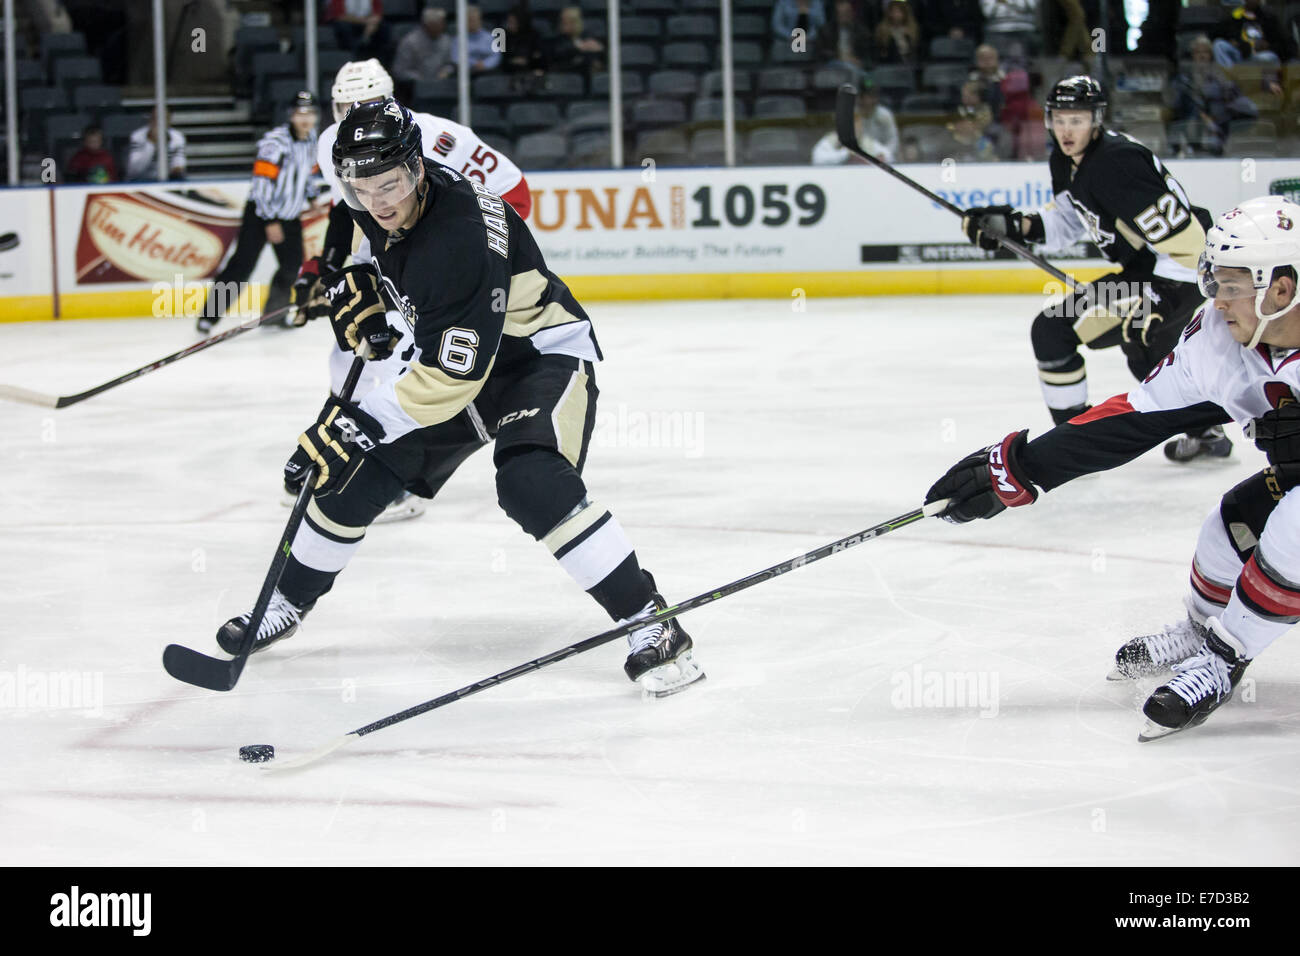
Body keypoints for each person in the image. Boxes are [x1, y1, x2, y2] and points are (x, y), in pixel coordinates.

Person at [214, 99, 705, 698]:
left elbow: (453, 378)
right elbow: (363, 243)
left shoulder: (459, 238)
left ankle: (649, 621)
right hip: (460, 360)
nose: (378, 201)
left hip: (536, 360)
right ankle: (284, 602)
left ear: (418, 167)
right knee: (354, 479)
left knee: (531, 482)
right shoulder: (380, 197)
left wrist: (352, 424)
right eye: (361, 187)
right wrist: (355, 285)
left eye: (388, 184)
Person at [925, 195, 1300, 741]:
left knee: (1294, 525)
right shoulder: (1216, 343)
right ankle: (1200, 633)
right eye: (1215, 283)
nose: (1218, 301)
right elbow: (1138, 418)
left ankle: (1224, 658)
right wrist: (1021, 469)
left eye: (1233, 286)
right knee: (1228, 529)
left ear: (1282, 288)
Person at [288, 58, 533, 525]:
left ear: (390, 102)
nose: (352, 116)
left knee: (415, 349)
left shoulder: (424, 139)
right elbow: (350, 212)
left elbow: (512, 191)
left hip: (478, 225)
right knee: (353, 342)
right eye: (344, 106)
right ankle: (339, 442)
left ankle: (401, 477)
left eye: (365, 104)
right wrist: (328, 272)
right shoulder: (332, 144)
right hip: (413, 227)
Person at [959, 76, 1229, 462]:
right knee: (1146, 358)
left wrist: (1160, 300)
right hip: (1148, 273)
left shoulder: (1117, 162)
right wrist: (1015, 228)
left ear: (1096, 120)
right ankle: (1208, 432)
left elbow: (1189, 244)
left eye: (1078, 120)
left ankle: (1071, 447)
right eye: (1060, 119)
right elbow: (1070, 221)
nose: (1067, 130)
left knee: (1053, 330)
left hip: (1176, 276)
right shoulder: (1066, 160)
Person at [197, 92, 322, 334]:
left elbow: (306, 174)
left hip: (290, 216)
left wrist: (312, 197)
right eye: (300, 113)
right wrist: (270, 219)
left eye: (310, 113)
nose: (305, 119)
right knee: (241, 266)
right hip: (261, 215)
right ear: (291, 116)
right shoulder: (274, 142)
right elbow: (262, 182)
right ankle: (208, 317)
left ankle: (274, 314)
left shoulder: (312, 141)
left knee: (291, 267)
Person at [1170, 34, 1259, 157]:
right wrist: (1202, 113)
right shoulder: (1184, 75)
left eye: (1205, 52)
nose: (1202, 56)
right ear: (1193, 55)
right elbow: (1178, 99)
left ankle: (1217, 146)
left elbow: (1231, 92)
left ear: (1210, 55)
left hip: (1220, 115)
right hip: (1192, 116)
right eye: (1198, 52)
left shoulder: (1219, 72)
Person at [811, 74, 898, 164]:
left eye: (871, 96)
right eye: (863, 97)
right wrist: (847, 155)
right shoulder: (834, 139)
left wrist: (879, 159)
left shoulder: (868, 141)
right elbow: (817, 159)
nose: (867, 101)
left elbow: (889, 153)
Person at [391, 7, 454, 92]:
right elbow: (399, 71)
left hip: (441, 85)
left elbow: (450, 64)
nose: (441, 27)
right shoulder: (410, 42)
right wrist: (420, 78)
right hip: (414, 88)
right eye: (436, 24)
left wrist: (446, 71)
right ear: (426, 25)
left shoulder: (446, 40)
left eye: (442, 24)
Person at [124, 106, 186, 181]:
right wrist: (151, 143)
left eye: (164, 118)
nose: (159, 122)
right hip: (141, 180)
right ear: (150, 119)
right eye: (156, 118)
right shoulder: (137, 136)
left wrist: (177, 168)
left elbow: (178, 164)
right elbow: (135, 170)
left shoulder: (177, 137)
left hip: (167, 180)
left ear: (169, 120)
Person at [814, 0, 872, 71]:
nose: (844, 17)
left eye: (847, 13)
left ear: (852, 14)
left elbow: (868, 56)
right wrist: (840, 57)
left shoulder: (862, 32)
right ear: (836, 14)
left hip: (856, 67)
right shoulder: (825, 31)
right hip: (833, 66)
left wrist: (859, 62)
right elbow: (820, 53)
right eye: (841, 14)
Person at [325, 0, 391, 61]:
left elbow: (378, 13)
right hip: (349, 22)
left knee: (383, 26)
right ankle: (355, 53)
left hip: (368, 24)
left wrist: (372, 24)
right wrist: (365, 21)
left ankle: (380, 57)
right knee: (342, 26)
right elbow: (340, 16)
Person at [549, 6, 604, 74]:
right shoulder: (558, 39)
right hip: (565, 73)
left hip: (585, 74)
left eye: (572, 21)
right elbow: (558, 53)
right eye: (564, 21)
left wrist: (599, 48)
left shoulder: (586, 36)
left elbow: (599, 51)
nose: (567, 24)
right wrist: (578, 47)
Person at [873, 0, 920, 66]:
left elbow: (916, 51)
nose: (896, 14)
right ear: (889, 13)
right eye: (894, 11)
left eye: (899, 11)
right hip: (891, 65)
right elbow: (881, 51)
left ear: (904, 13)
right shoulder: (882, 30)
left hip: (911, 65)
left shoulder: (912, 30)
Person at [458, 5, 502, 75]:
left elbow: (496, 56)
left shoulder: (489, 37)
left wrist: (485, 64)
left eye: (476, 19)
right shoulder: (459, 39)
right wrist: (474, 63)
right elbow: (456, 58)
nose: (474, 23)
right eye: (470, 20)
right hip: (467, 73)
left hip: (487, 71)